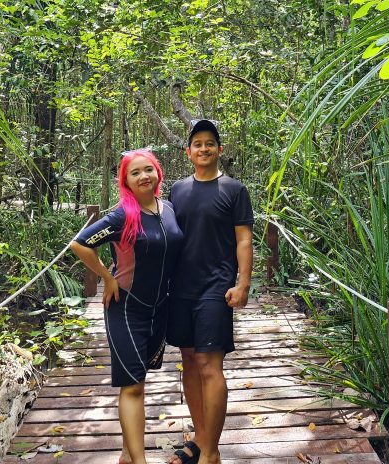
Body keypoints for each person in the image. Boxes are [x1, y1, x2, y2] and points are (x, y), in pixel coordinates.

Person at [70, 149, 183, 464]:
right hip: (126, 308)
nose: (143, 176)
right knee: (132, 386)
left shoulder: (170, 209)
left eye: (148, 169)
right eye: (135, 172)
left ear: (157, 173)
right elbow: (80, 243)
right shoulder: (123, 215)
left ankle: (126, 454)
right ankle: (139, 460)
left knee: (139, 382)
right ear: (126, 181)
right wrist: (107, 277)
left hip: (159, 309)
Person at [166, 119, 254, 464]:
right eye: (197, 144)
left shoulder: (234, 190)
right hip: (180, 287)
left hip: (216, 286)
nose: (203, 149)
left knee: (209, 364)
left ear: (220, 149)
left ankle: (211, 453)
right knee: (188, 360)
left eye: (209, 143)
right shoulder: (177, 189)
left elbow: (244, 239)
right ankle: (201, 441)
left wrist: (243, 283)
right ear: (188, 152)